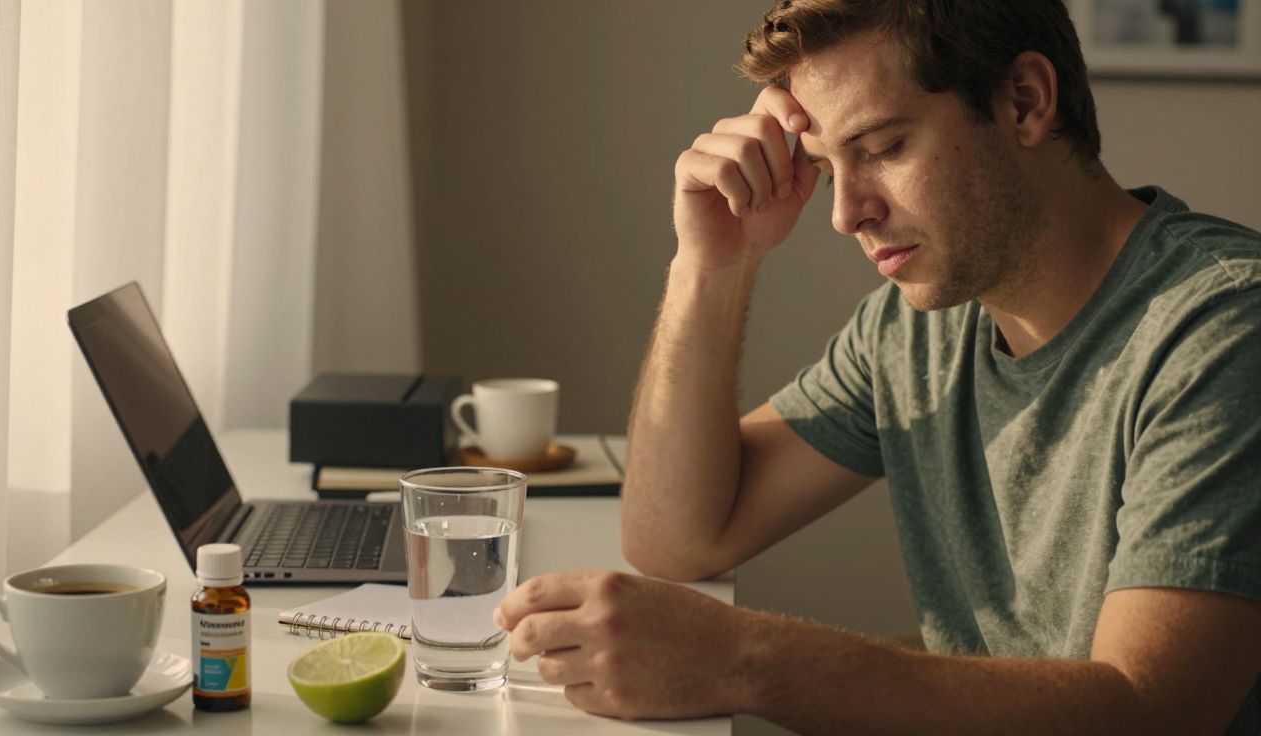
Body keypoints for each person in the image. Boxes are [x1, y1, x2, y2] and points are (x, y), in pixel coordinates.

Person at [494, 1, 1261, 732]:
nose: (845, 213)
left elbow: (1154, 711)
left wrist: (740, 659)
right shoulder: (917, 327)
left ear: (1025, 101)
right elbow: (679, 537)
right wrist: (714, 264)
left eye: (885, 148)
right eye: (829, 168)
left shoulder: (1224, 328)